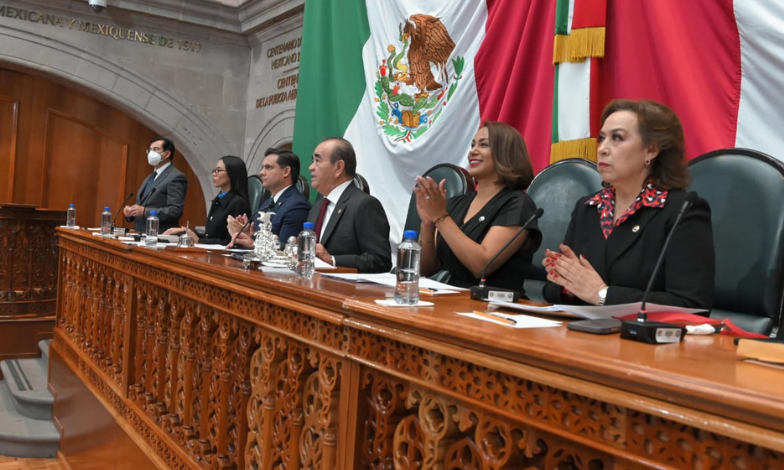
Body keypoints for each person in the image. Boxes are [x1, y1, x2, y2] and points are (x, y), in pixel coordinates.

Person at [543, 99, 715, 308]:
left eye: (617, 138)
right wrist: (567, 285)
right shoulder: (589, 207)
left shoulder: (682, 210)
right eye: (602, 138)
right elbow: (551, 290)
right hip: (582, 333)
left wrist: (601, 294)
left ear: (651, 150)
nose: (603, 149)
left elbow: (691, 305)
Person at [415, 121, 542, 292]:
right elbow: (426, 270)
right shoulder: (456, 203)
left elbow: (482, 266)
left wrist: (441, 217)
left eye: (484, 145)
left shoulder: (518, 204)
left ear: (506, 154)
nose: (473, 151)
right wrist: (428, 225)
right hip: (449, 300)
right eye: (473, 144)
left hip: (494, 307)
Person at [306, 138, 391, 273]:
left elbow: (380, 261)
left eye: (317, 161)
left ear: (338, 167)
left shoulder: (365, 205)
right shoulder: (317, 207)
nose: (311, 167)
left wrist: (333, 260)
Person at [227, 148, 311, 249]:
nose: (261, 172)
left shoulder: (297, 206)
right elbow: (259, 241)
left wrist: (253, 243)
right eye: (263, 167)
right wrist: (246, 234)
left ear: (286, 171)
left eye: (268, 167)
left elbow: (287, 249)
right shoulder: (267, 204)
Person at [164, 156, 250, 245]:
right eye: (214, 170)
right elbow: (211, 236)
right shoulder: (218, 200)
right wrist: (186, 231)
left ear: (232, 173)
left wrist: (199, 240)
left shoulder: (238, 203)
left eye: (219, 170)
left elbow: (233, 241)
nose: (214, 174)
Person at [125, 137, 187, 232]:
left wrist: (145, 212)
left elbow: (175, 210)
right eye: (149, 150)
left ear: (167, 154)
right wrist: (131, 212)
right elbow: (143, 206)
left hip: (160, 235)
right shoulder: (150, 177)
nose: (151, 153)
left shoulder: (176, 177)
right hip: (140, 234)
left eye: (156, 149)